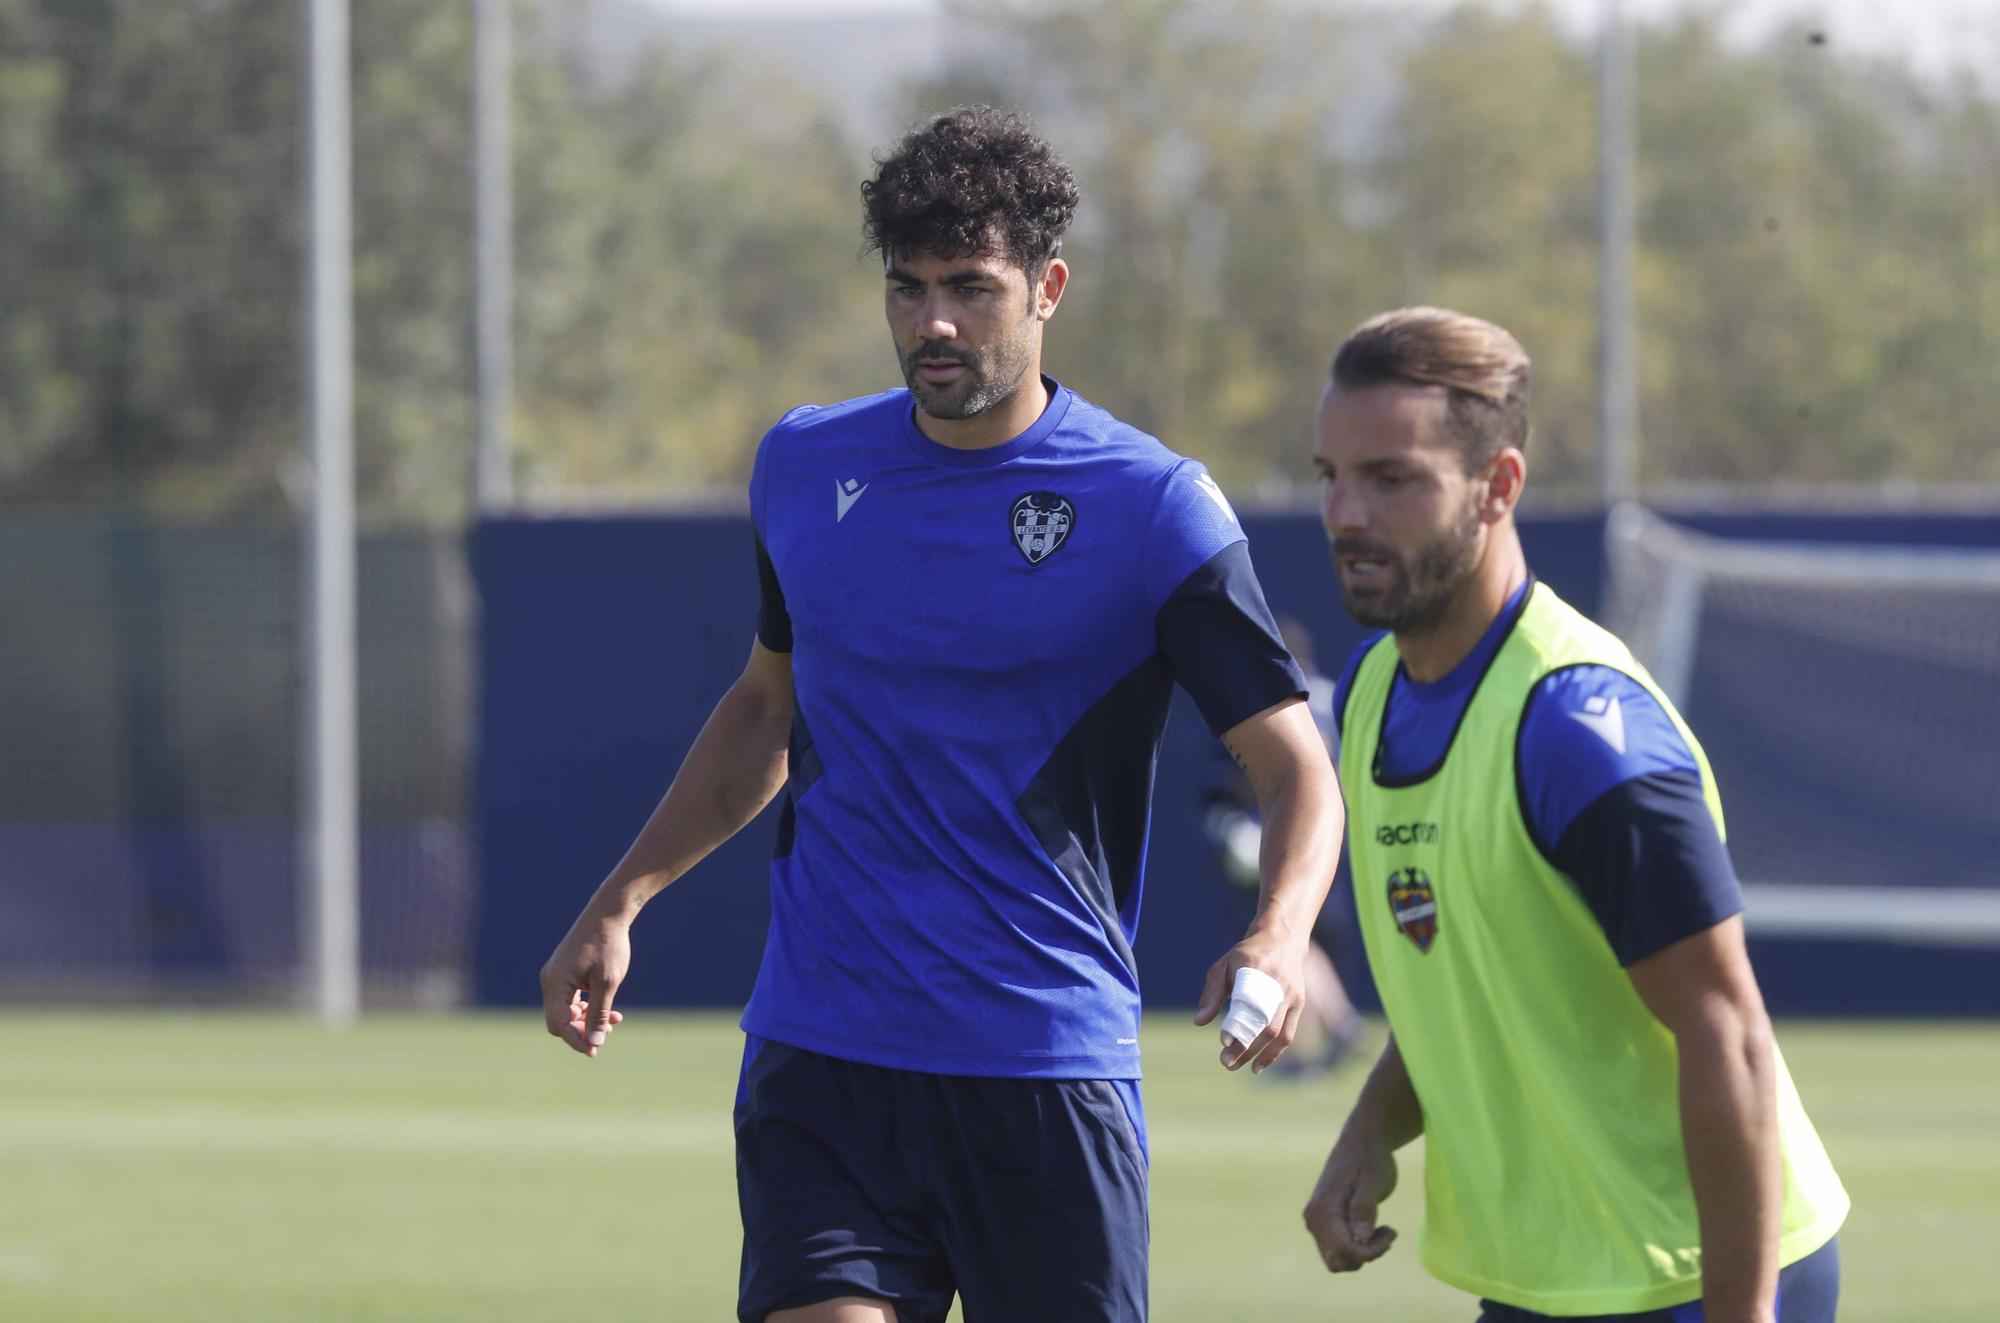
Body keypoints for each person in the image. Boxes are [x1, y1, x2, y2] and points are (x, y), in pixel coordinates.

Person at [538, 106, 1344, 1323]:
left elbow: (1295, 771)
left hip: (1040, 1068)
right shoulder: (804, 470)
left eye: (970, 288)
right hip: (825, 1057)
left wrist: (1279, 939)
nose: (935, 325)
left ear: (1048, 287)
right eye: (907, 291)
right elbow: (766, 708)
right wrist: (620, 901)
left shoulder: (1154, 507)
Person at [1300, 307, 1848, 1322]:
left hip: (1694, 1278)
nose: (1344, 513)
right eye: (1329, 474)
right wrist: (1372, 1128)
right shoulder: (1375, 687)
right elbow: (1469, 981)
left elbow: (1724, 1034)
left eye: (1390, 478)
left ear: (1496, 487)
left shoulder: (1577, 734)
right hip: (1545, 1278)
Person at [1202, 615, 1364, 1075]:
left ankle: (1337, 1023)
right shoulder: (1336, 697)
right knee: (1301, 935)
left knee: (1288, 932)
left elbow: (1262, 773)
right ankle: (1316, 1039)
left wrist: (1233, 821)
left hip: (1282, 834)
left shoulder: (1277, 700)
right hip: (1329, 835)